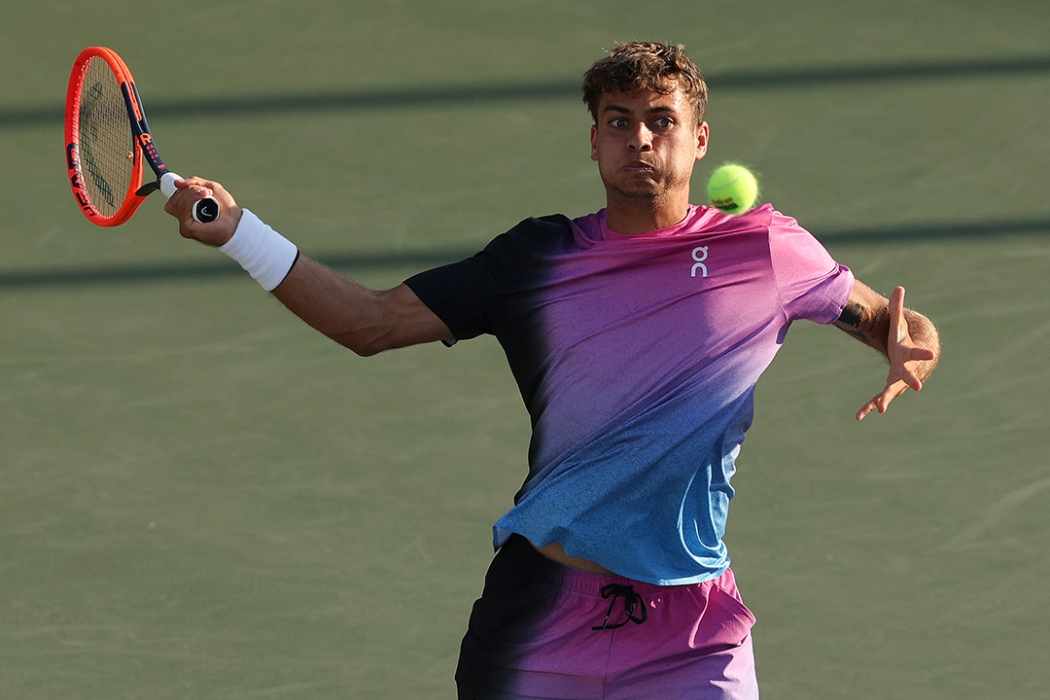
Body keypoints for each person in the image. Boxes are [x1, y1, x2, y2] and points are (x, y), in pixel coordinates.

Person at [165, 41, 939, 700]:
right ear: (594, 142)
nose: (640, 138)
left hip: (693, 630)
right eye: (618, 121)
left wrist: (913, 343)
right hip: (543, 619)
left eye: (661, 121)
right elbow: (369, 323)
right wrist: (240, 233)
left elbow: (889, 322)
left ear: (699, 139)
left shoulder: (767, 253)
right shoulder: (536, 260)